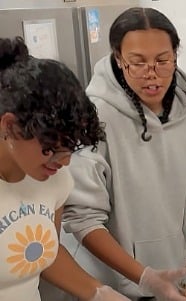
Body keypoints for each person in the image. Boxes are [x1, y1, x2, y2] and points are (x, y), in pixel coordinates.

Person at [43, 7, 186, 300]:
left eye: (163, 61)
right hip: (110, 285)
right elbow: (84, 218)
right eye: (137, 63)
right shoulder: (95, 116)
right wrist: (144, 276)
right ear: (118, 58)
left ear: (175, 56)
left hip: (174, 278)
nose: (152, 74)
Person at [0, 37, 127, 300]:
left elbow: (45, 254)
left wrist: (101, 294)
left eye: (70, 149)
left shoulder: (54, 180)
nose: (64, 161)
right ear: (10, 126)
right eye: (51, 149)